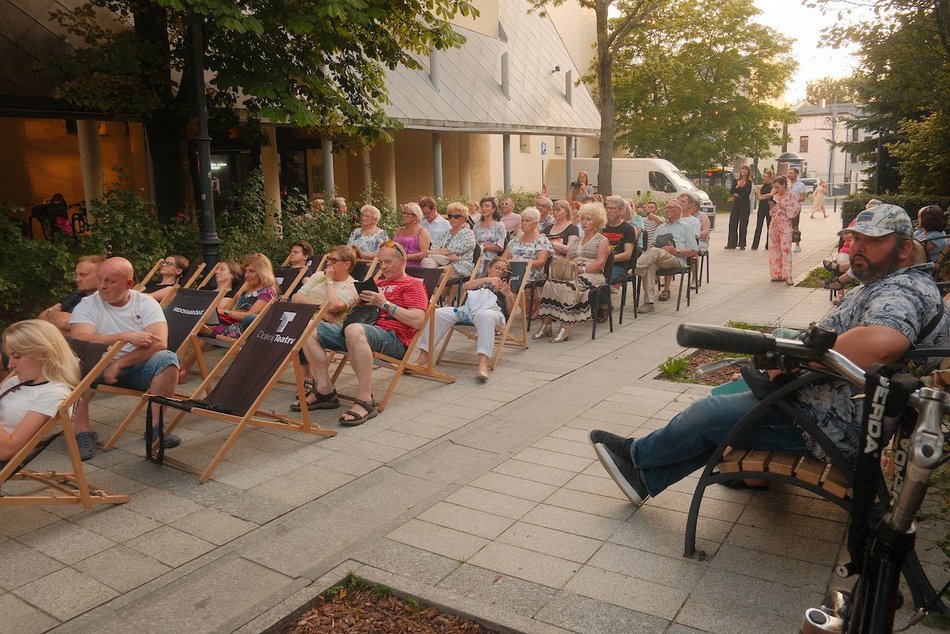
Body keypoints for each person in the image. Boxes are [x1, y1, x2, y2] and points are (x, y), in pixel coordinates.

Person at [589, 204, 947, 507]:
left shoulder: (902, 289)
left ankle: (638, 460)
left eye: (872, 242)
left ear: (902, 250)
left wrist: (799, 359)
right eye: (855, 239)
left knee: (711, 413)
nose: (857, 248)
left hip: (830, 425)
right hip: (827, 405)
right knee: (724, 406)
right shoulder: (892, 283)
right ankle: (645, 475)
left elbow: (884, 341)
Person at [299, 241, 428, 425]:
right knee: (308, 326)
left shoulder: (413, 285)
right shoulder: (377, 282)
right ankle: (325, 390)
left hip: (393, 339)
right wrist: (359, 303)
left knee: (353, 329)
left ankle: (365, 400)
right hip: (361, 330)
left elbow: (417, 320)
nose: (383, 267)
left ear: (403, 261)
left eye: (388, 262)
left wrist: (384, 304)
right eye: (380, 262)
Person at [69, 257, 182, 460]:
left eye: (110, 281)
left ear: (128, 284)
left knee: (168, 360)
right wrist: (123, 337)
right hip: (97, 367)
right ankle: (83, 432)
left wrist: (120, 363)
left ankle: (154, 427)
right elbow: (80, 338)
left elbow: (159, 343)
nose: (102, 286)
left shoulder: (145, 303)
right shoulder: (88, 305)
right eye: (100, 279)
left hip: (138, 366)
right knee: (74, 363)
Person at [414, 258, 515, 382]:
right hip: (468, 310)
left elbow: (510, 312)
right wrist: (488, 280)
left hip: (492, 311)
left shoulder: (506, 288)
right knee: (439, 313)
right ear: (489, 269)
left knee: (485, 316)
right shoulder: (481, 281)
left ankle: (483, 363)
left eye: (504, 270)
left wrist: (507, 294)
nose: (500, 272)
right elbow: (467, 286)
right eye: (497, 268)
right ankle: (423, 357)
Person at [289, 245, 362, 411]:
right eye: (328, 259)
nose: (328, 263)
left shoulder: (352, 286)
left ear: (346, 264)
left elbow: (335, 305)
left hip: (331, 329)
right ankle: (318, 385)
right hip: (308, 320)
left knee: (305, 327)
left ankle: (322, 388)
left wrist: (329, 281)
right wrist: (321, 310)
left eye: (333, 260)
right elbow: (296, 297)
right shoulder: (317, 276)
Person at [0, 320, 80, 461]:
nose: (10, 365)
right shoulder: (16, 381)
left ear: (44, 354)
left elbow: (8, 451)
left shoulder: (54, 393)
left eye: (17, 356)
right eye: (10, 356)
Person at [534, 202, 611, 342]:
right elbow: (568, 260)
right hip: (573, 272)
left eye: (589, 219)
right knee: (549, 284)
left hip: (593, 274)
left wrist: (582, 269)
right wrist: (566, 269)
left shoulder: (602, 240)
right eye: (582, 219)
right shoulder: (576, 241)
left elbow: (600, 264)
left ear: (597, 221)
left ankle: (566, 327)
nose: (584, 222)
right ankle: (546, 324)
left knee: (568, 286)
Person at [634, 200, 699, 312]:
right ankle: (649, 303)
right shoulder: (661, 227)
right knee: (650, 264)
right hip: (658, 258)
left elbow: (694, 250)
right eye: (666, 207)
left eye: (670, 207)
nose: (666, 209)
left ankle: (634, 269)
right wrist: (652, 247)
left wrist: (676, 251)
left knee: (655, 251)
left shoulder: (686, 227)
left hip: (676, 259)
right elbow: (652, 246)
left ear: (679, 211)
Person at [204, 253, 279, 338]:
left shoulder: (267, 291)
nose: (247, 275)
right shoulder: (247, 291)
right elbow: (236, 312)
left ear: (262, 272)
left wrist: (224, 312)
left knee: (198, 327)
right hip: (232, 324)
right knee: (198, 323)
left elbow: (249, 316)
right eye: (246, 271)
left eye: (251, 271)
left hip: (243, 329)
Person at [39, 255, 105, 333]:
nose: (77, 279)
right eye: (76, 275)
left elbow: (67, 323)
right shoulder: (76, 296)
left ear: (101, 276)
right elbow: (41, 319)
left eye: (83, 275)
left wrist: (51, 313)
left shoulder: (107, 300)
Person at [422, 202, 476, 281]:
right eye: (450, 216)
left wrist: (432, 252)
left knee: (434, 275)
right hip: (440, 261)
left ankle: (432, 292)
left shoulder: (468, 234)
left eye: (456, 216)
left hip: (459, 266)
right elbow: (435, 247)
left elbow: (451, 249)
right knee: (425, 262)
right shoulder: (445, 233)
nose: (452, 219)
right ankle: (431, 291)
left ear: (464, 218)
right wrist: (447, 255)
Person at [502, 207, 553, 286]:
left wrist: (521, 263)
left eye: (527, 221)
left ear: (536, 223)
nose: (524, 223)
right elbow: (503, 259)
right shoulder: (514, 241)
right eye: (522, 220)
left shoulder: (542, 241)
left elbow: (541, 263)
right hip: (511, 274)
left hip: (530, 277)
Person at [768, 175, 798, 285]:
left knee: (785, 249)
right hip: (774, 223)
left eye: (777, 187)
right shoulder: (775, 196)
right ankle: (776, 273)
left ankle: (787, 274)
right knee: (774, 247)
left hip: (785, 223)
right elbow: (772, 212)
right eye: (774, 187)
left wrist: (783, 205)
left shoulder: (792, 196)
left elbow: (795, 211)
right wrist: (772, 206)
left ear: (784, 185)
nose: (776, 189)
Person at [394, 202, 431, 268]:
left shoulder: (422, 232)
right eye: (404, 213)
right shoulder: (399, 230)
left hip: (413, 267)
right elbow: (393, 248)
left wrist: (405, 257)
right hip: (396, 265)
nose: (404, 216)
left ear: (416, 217)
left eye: (408, 214)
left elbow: (424, 254)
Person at [725, 166, 753, 250]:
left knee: (743, 224)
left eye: (746, 170)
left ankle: (742, 244)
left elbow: (746, 193)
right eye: (743, 169)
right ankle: (731, 243)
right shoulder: (736, 181)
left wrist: (737, 193)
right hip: (736, 203)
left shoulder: (749, 182)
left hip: (745, 204)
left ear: (748, 172)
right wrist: (737, 187)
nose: (744, 171)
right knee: (733, 223)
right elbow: (732, 191)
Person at [473, 197, 507, 262]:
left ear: (494, 208)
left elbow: (499, 247)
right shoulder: (476, 225)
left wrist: (481, 247)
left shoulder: (499, 225)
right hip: (475, 258)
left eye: (487, 206)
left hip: (490, 260)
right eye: (482, 206)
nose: (484, 209)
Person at [751, 170, 774, 251]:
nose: (765, 178)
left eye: (767, 177)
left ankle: (768, 245)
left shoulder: (773, 187)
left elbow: (771, 195)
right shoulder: (760, 187)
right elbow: (759, 197)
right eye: (764, 177)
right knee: (758, 226)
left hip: (770, 208)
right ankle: (754, 245)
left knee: (769, 227)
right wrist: (765, 196)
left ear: (770, 178)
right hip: (761, 207)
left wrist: (763, 196)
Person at [787, 168, 807, 252]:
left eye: (791, 173)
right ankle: (787, 244)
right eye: (788, 173)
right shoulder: (786, 184)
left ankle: (797, 244)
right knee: (787, 226)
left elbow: (802, 197)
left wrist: (793, 199)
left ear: (796, 174)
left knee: (795, 226)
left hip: (795, 208)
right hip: (786, 208)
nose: (789, 175)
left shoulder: (800, 185)